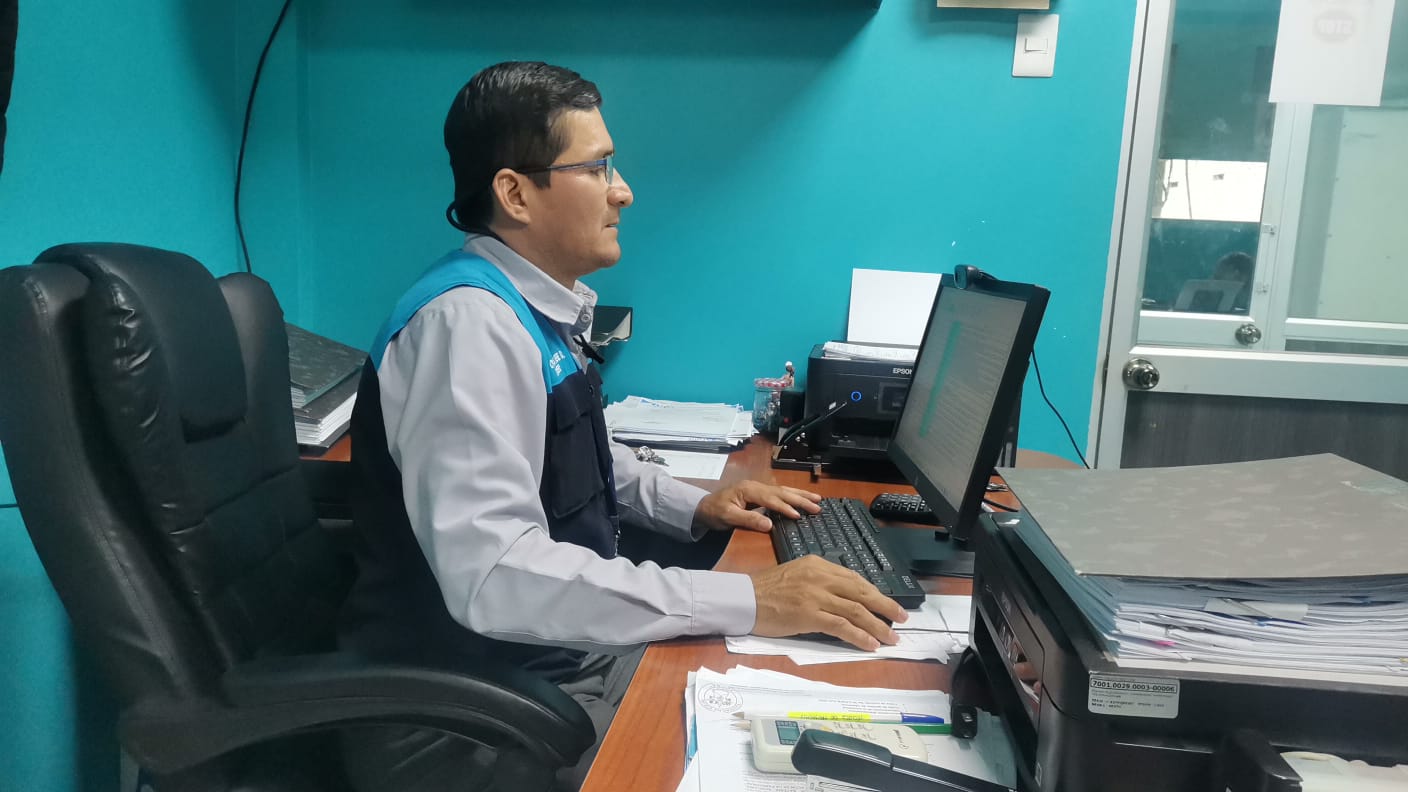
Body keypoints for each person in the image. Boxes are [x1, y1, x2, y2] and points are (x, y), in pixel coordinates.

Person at [338, 61, 906, 792]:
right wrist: (750, 599)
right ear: (515, 192)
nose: (623, 190)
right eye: (597, 167)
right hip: (468, 717)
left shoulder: (527, 308)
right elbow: (496, 575)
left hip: (545, 665)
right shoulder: (466, 328)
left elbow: (576, 447)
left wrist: (695, 505)